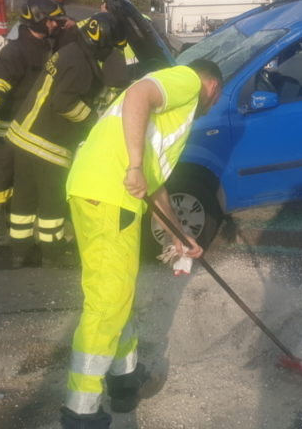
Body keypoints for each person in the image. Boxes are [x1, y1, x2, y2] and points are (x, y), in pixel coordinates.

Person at [60, 58, 223, 429]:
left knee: (119, 292)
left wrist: (181, 238)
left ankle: (124, 376)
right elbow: (138, 94)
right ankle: (81, 412)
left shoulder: (158, 128)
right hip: (109, 194)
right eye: (216, 96)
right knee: (107, 301)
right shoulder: (187, 82)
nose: (210, 104)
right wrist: (134, 165)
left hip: (103, 193)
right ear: (213, 86)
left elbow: (156, 189)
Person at [5, 12, 128, 269]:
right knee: (52, 202)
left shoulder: (70, 51)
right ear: (101, 44)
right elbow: (64, 102)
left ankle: (19, 251)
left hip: (24, 137)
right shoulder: (81, 65)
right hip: (48, 144)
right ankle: (51, 252)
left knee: (24, 200)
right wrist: (92, 120)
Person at [0, 0, 68, 236]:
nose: (54, 24)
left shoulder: (48, 44)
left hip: (33, 123)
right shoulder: (15, 52)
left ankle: (17, 212)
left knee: (25, 172)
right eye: (50, 21)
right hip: (10, 122)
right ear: (36, 19)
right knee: (3, 169)